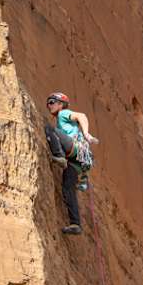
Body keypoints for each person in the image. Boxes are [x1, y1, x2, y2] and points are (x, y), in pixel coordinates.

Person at [44, 92, 98, 235]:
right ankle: (76, 224)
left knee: (49, 129)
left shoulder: (63, 114)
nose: (49, 105)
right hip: (78, 161)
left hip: (74, 149)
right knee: (68, 188)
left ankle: (59, 156)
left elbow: (82, 116)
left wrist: (86, 133)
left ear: (60, 104)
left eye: (51, 102)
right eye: (48, 103)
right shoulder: (61, 119)